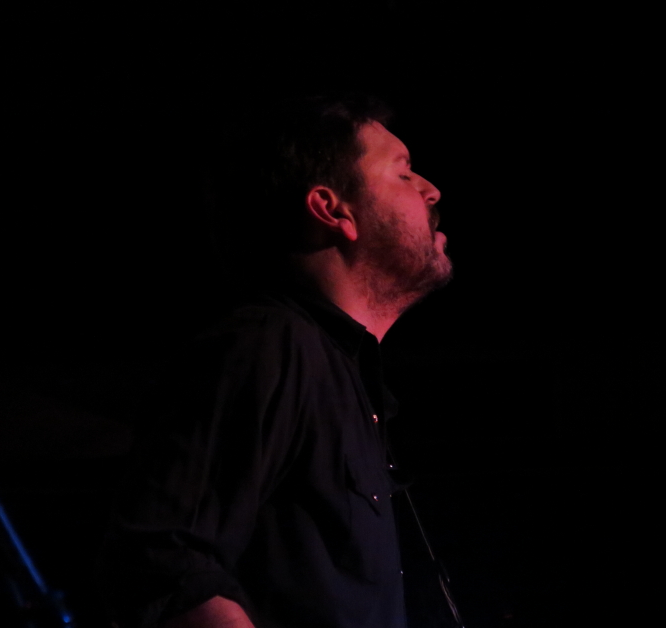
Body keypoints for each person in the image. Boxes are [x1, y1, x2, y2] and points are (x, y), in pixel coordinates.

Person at [98, 95, 453, 628]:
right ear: (332, 210)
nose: (431, 189)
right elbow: (161, 565)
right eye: (403, 173)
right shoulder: (269, 346)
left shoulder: (345, 380)